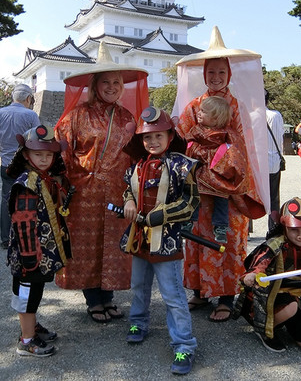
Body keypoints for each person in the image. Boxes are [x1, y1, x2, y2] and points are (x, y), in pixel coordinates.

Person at [174, 26, 267, 322]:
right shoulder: (193, 106)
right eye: (210, 73)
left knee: (226, 236)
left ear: (228, 75)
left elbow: (240, 143)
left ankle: (226, 295)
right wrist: (197, 153)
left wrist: (221, 161)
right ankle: (201, 291)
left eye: (220, 73)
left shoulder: (236, 105)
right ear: (204, 75)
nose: (215, 78)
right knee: (198, 236)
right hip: (199, 185)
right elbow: (181, 140)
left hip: (227, 182)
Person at [54, 43, 149, 323]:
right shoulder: (77, 116)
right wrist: (70, 182)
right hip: (84, 193)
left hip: (119, 191)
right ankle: (93, 300)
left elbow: (136, 157)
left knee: (113, 244)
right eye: (105, 81)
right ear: (94, 85)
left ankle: (108, 297)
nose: (111, 86)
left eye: (116, 82)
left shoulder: (127, 118)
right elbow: (63, 151)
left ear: (122, 87)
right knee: (89, 245)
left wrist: (135, 190)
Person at [120, 106, 198, 375]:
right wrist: (129, 201)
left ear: (169, 136)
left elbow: (191, 203)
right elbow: (126, 191)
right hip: (139, 241)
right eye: (147, 137)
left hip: (167, 243)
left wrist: (161, 215)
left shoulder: (181, 165)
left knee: (173, 296)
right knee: (138, 286)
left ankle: (184, 344)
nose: (152, 142)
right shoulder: (137, 166)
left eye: (158, 136)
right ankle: (137, 323)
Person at [234, 197, 301, 353]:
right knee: (291, 306)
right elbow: (258, 265)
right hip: (267, 298)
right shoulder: (274, 245)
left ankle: (283, 320)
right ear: (284, 227)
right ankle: (263, 328)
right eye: (295, 229)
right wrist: (253, 275)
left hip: (293, 300)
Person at [6, 125, 72, 357]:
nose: (44, 159)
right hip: (30, 256)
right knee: (27, 298)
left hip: (39, 255)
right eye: (38, 154)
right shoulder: (27, 184)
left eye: (49, 154)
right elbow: (24, 222)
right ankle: (26, 340)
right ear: (26, 155)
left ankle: (32, 327)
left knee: (35, 292)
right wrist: (29, 256)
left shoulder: (44, 179)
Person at [184, 96, 247, 244]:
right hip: (199, 170)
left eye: (203, 111)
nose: (198, 113)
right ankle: (188, 220)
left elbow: (235, 151)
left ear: (215, 119)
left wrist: (220, 156)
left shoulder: (227, 133)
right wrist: (197, 150)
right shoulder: (196, 130)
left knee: (221, 197)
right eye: (200, 110)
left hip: (217, 171)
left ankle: (221, 226)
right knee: (190, 191)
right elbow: (187, 142)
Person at [0, 84, 41, 249]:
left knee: (6, 198)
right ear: (28, 98)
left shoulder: (0, 112)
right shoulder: (30, 115)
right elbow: (37, 140)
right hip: (24, 164)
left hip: (6, 162)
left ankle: (5, 238)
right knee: (28, 198)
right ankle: (25, 235)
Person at [265, 89, 284, 238]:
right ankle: (273, 229)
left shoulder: (249, 116)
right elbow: (280, 139)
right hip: (273, 161)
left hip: (255, 163)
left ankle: (247, 230)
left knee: (248, 197)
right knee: (273, 199)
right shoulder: (275, 115)